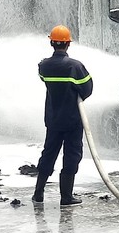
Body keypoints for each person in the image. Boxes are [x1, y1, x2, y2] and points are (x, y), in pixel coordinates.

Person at [32, 25, 93, 207]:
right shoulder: (74, 66)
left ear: (52, 42)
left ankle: (38, 193)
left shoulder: (44, 66)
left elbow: (45, 80)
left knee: (49, 153)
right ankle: (66, 196)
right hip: (73, 120)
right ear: (68, 44)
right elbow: (87, 90)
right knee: (72, 155)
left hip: (53, 119)